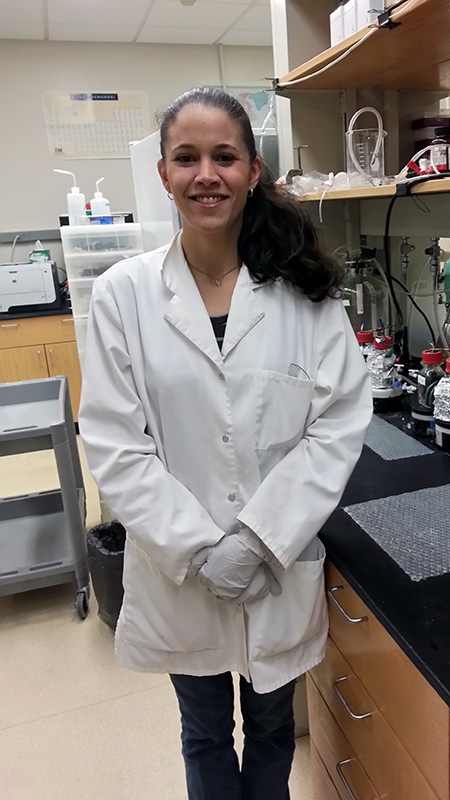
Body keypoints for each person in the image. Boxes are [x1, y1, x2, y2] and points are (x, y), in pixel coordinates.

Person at [78, 87, 373, 800]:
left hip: (276, 563)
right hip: (185, 573)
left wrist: (260, 538)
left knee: (274, 731)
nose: (205, 173)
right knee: (205, 733)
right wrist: (201, 548)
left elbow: (337, 421)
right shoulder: (124, 296)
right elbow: (117, 444)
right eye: (187, 158)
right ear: (163, 174)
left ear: (251, 171)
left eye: (224, 157)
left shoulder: (303, 292)